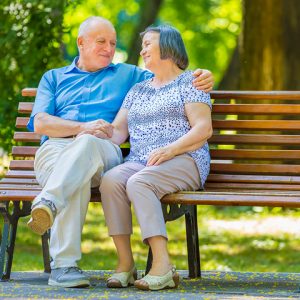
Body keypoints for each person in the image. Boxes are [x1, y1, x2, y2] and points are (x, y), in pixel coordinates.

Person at [27, 16, 214, 288]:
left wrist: (204, 74)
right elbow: (48, 124)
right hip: (67, 150)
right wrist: (87, 127)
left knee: (91, 151)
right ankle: (124, 263)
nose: (111, 48)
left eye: (113, 43)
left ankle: (52, 211)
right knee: (102, 176)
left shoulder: (146, 77)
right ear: (81, 43)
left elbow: (175, 80)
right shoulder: (59, 79)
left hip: (152, 155)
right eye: (101, 41)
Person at [99, 24, 212, 291]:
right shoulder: (138, 90)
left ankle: (162, 265)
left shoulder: (191, 82)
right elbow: (116, 134)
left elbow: (203, 129)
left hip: (186, 158)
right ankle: (125, 264)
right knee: (110, 180)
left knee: (140, 182)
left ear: (169, 46)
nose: (142, 50)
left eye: (148, 43)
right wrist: (84, 133)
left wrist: (170, 150)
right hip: (142, 161)